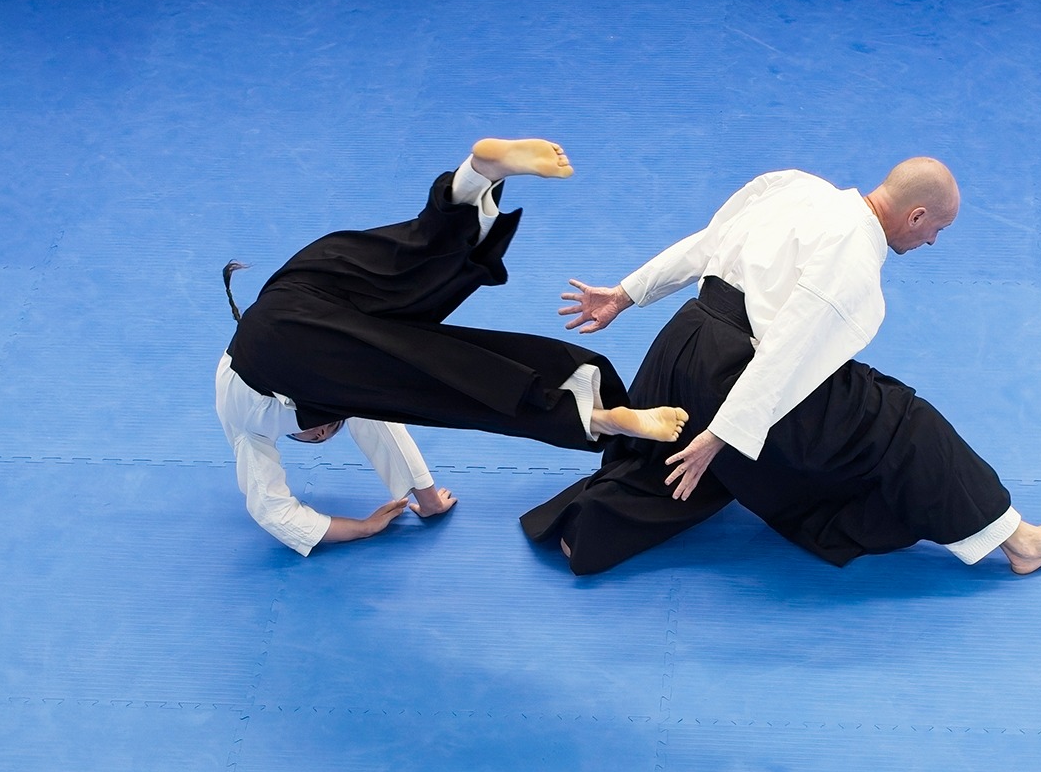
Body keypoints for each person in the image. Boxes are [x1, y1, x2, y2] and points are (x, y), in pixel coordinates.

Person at [521, 158, 1041, 575]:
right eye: (936, 229)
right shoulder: (854, 252)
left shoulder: (796, 189)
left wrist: (627, 293)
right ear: (915, 215)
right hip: (734, 372)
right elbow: (787, 349)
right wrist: (724, 434)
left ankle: (589, 526)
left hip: (681, 343)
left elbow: (707, 243)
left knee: (680, 461)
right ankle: (1020, 543)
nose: (934, 242)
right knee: (905, 425)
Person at [216, 138, 688, 555]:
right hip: (295, 284)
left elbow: (274, 512)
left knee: (441, 385)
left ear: (300, 430)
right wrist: (426, 498)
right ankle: (478, 176)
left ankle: (592, 418)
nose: (326, 429)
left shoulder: (248, 429)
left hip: (283, 345)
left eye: (321, 432)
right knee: (413, 265)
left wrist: (361, 528)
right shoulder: (318, 385)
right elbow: (380, 426)